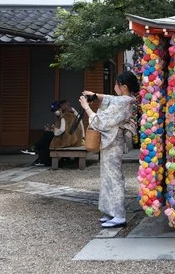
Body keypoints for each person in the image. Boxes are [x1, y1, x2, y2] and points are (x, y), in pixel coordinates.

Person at [79, 71, 138, 229]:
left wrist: (86, 108)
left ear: (123, 87)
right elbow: (111, 99)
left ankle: (119, 215)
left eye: (117, 84)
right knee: (108, 176)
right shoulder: (127, 99)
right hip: (112, 142)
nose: (115, 87)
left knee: (114, 177)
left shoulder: (123, 102)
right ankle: (110, 211)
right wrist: (96, 95)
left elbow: (101, 122)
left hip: (114, 143)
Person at [30, 100, 84, 167]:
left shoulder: (64, 116)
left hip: (69, 140)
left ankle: (37, 151)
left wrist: (55, 131)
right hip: (75, 139)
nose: (55, 112)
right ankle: (40, 155)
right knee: (47, 137)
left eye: (57, 110)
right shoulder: (71, 114)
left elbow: (62, 130)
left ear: (61, 108)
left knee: (47, 137)